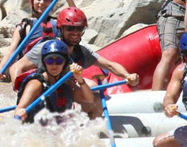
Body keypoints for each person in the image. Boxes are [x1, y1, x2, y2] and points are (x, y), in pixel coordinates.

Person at [10, 7, 140, 118]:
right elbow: (16, 67)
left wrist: (127, 76)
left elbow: (110, 65)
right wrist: (24, 97)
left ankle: (90, 134)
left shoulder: (82, 51)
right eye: (70, 29)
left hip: (65, 92)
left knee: (95, 100)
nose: (75, 33)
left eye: (79, 29)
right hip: (43, 93)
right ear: (61, 29)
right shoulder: (48, 49)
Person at [0, 0, 76, 81]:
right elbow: (12, 51)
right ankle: (23, 93)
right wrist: (0, 69)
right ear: (32, 1)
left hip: (55, 68)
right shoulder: (24, 26)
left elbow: (76, 22)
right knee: (14, 70)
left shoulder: (58, 24)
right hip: (31, 71)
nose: (42, 3)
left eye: (46, 0)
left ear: (52, 2)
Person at [14, 39, 94, 123]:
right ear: (44, 62)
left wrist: (80, 79)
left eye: (59, 61)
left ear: (65, 63)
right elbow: (20, 108)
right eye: (50, 60)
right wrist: (20, 112)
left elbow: (89, 99)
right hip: (37, 130)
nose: (54, 65)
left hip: (57, 128)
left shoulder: (66, 83)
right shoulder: (36, 84)